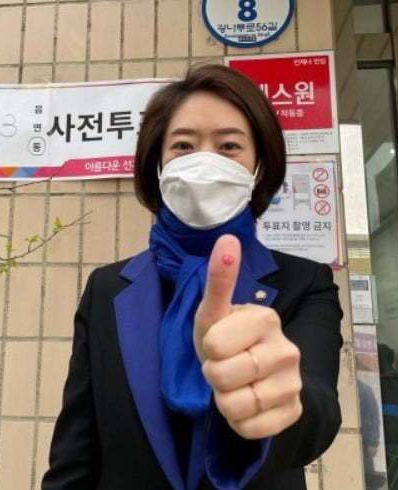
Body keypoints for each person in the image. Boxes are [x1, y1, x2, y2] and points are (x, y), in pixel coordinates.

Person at [41, 64, 343, 490]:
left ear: (259, 167)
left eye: (229, 146)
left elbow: (318, 418)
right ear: (157, 164)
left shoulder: (305, 281)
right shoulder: (106, 288)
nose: (205, 161)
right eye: (183, 145)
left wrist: (272, 394)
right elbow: (75, 448)